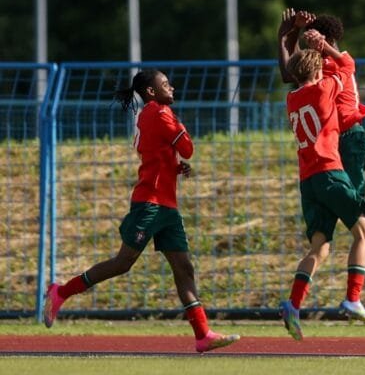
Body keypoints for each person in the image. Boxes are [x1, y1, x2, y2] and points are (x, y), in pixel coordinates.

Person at [42, 70, 240, 352]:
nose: (171, 87)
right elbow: (188, 147)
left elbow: (148, 149)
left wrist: (172, 165)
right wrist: (178, 135)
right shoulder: (161, 113)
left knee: (184, 268)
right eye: (164, 84)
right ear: (150, 91)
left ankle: (203, 334)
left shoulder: (147, 114)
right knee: (123, 262)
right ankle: (61, 291)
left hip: (166, 205)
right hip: (151, 203)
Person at [278, 8, 365, 307]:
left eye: (314, 42)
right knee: (347, 213)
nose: (310, 49)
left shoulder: (330, 66)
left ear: (326, 40)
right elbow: (292, 71)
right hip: (334, 145)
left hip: (348, 139)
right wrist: (289, 33)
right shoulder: (317, 71)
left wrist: (303, 40)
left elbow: (303, 69)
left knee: (358, 205)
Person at [279, 30, 365, 341]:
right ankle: (353, 298)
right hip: (330, 172)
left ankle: (293, 304)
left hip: (307, 181)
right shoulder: (325, 88)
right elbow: (348, 65)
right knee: (364, 232)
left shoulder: (291, 99)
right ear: (316, 71)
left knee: (319, 247)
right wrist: (326, 48)